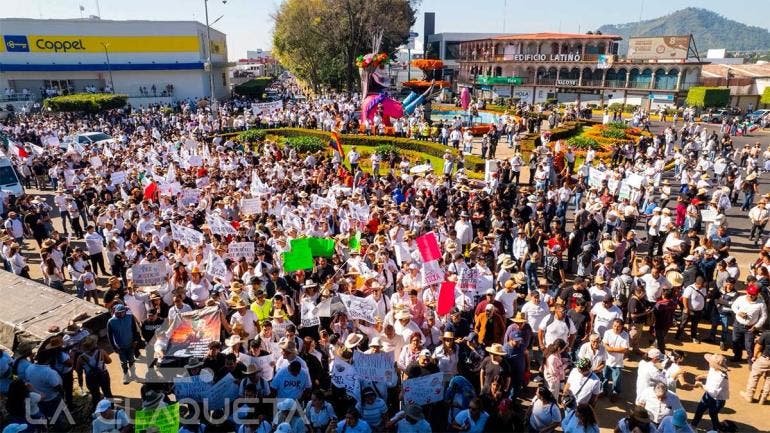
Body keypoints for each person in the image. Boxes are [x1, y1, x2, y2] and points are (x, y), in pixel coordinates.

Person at [691, 353, 730, 431]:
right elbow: (710, 374)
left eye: (710, 362)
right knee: (700, 409)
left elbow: (713, 392)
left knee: (712, 414)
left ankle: (716, 429)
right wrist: (702, 376)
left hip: (717, 399)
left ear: (714, 365)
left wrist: (701, 385)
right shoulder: (714, 368)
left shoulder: (721, 377)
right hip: (709, 394)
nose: (708, 362)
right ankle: (693, 425)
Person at [106, 304, 138, 384]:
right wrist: (114, 348)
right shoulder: (111, 321)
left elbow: (135, 330)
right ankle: (126, 376)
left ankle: (133, 375)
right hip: (119, 346)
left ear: (125, 311)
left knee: (132, 360)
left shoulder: (130, 317)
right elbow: (109, 336)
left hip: (130, 344)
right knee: (123, 362)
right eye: (118, 313)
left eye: (122, 312)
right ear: (115, 312)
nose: (120, 314)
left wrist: (135, 341)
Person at [740, 328, 770, 403]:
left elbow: (758, 347)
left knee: (754, 376)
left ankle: (749, 396)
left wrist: (755, 356)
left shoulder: (766, 334)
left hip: (765, 359)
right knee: (769, 380)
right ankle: (763, 398)